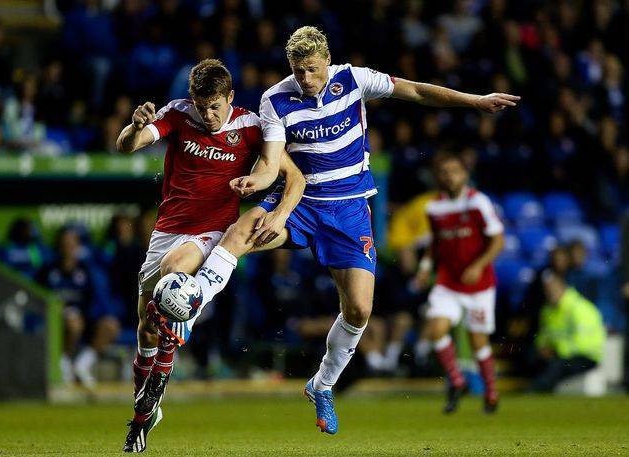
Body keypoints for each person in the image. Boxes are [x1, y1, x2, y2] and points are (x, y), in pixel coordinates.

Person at [158, 26, 518, 434]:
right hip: (302, 205)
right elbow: (272, 163)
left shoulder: (355, 79)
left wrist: (474, 100)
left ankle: (322, 385)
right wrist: (256, 183)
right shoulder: (275, 99)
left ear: (327, 60)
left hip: (349, 211)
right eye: (298, 71)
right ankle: (191, 303)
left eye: (312, 69)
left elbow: (416, 91)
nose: (306, 80)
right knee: (240, 231)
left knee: (360, 309)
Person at [116, 59, 305, 452]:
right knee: (146, 326)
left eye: (216, 107)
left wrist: (268, 196)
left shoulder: (251, 126)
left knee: (172, 281)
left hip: (208, 232)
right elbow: (126, 146)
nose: (209, 115)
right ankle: (147, 402)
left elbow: (287, 173)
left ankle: (159, 384)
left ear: (230, 98)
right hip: (166, 229)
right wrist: (134, 127)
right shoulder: (178, 113)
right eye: (203, 107)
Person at [415, 151, 505, 414]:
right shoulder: (434, 207)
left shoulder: (479, 202)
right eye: (444, 172)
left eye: (454, 171)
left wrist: (478, 265)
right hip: (448, 281)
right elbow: (435, 243)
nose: (449, 176)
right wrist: (424, 267)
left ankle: (491, 390)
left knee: (478, 341)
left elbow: (498, 240)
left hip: (479, 285)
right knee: (436, 330)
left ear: (464, 175)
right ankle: (456, 380)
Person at [37, 227, 120, 389]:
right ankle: (64, 363)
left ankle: (82, 364)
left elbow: (92, 300)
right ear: (59, 246)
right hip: (55, 322)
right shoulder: (47, 271)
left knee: (111, 326)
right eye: (65, 244)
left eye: (71, 244)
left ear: (77, 247)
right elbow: (37, 297)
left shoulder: (85, 271)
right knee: (73, 322)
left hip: (83, 318)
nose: (68, 248)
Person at [531, 271, 606, 392]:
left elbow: (584, 344)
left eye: (553, 288)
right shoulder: (547, 311)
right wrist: (542, 348)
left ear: (562, 287)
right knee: (533, 356)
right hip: (560, 354)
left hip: (586, 357)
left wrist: (556, 350)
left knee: (557, 366)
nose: (550, 292)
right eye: (547, 289)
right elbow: (543, 336)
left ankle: (537, 391)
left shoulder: (580, 308)